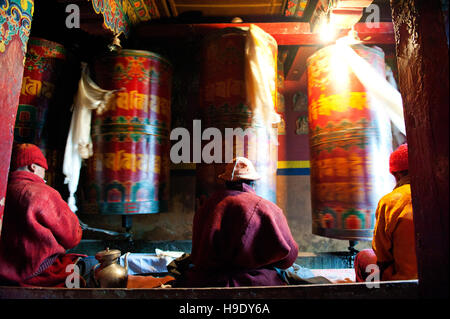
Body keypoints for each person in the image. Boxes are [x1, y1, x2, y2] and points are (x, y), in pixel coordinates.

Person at [174, 157, 299, 287]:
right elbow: (288, 258)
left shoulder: (206, 206)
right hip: (254, 283)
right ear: (253, 183)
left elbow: (197, 255)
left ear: (225, 181)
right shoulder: (267, 208)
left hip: (206, 282)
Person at [0, 143, 85, 287]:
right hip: (42, 273)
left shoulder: (4, 192)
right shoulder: (43, 194)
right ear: (33, 167)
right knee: (84, 268)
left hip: (5, 274)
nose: (44, 174)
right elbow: (72, 238)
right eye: (44, 169)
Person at [355, 143, 418, 282]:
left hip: (405, 282)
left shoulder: (390, 201)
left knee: (364, 257)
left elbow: (382, 255)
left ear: (397, 174)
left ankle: (371, 294)